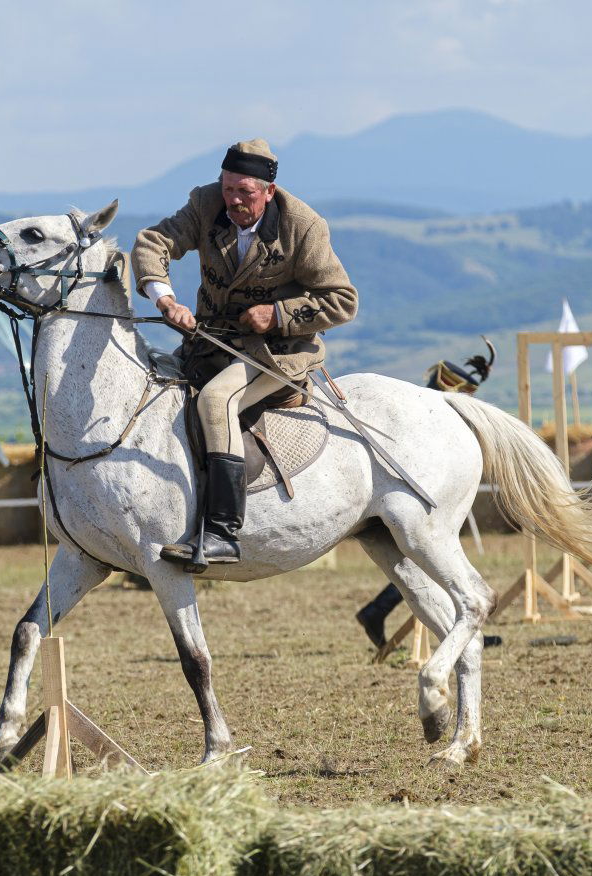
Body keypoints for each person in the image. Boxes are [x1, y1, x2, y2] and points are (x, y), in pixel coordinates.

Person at [132, 139, 358, 567]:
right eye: (227, 188)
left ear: (269, 192)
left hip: (277, 353)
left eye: (244, 193)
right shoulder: (204, 203)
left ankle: (221, 532)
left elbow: (342, 301)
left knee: (218, 401)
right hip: (209, 343)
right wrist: (165, 300)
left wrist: (276, 315)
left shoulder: (304, 227)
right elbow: (152, 244)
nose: (232, 200)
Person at [355, 342, 501, 649]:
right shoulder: (423, 420)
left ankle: (379, 611)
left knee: (429, 560)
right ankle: (460, 631)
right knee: (431, 559)